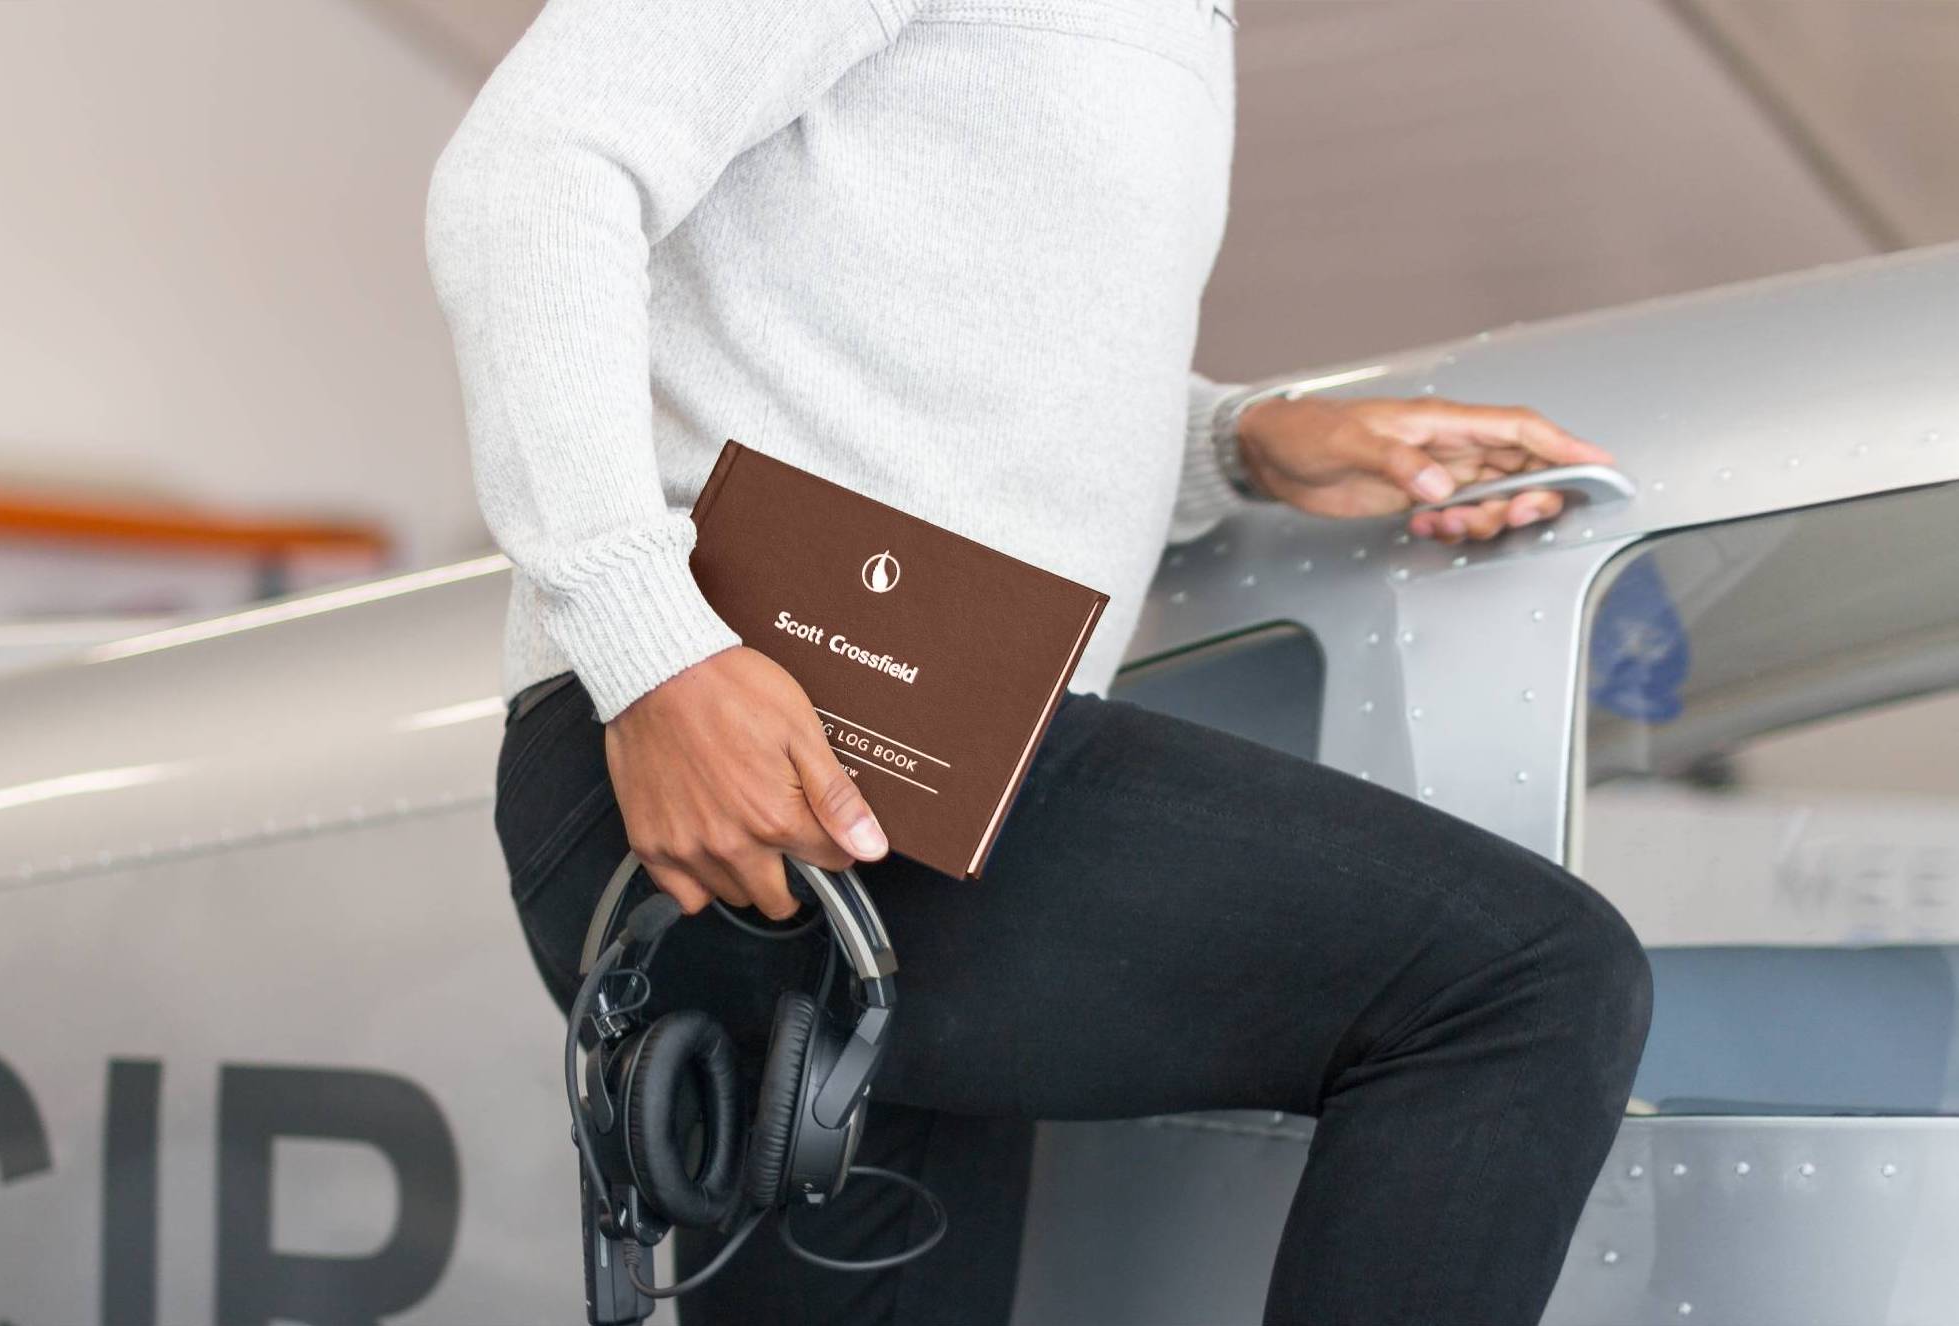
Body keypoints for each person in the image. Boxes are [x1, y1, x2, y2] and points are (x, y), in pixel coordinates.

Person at [424, 2, 1653, 1322]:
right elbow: (533, 170)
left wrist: (1237, 442)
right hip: (757, 730)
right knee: (1517, 981)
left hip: (913, 755)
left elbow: (954, 339)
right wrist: (652, 650)